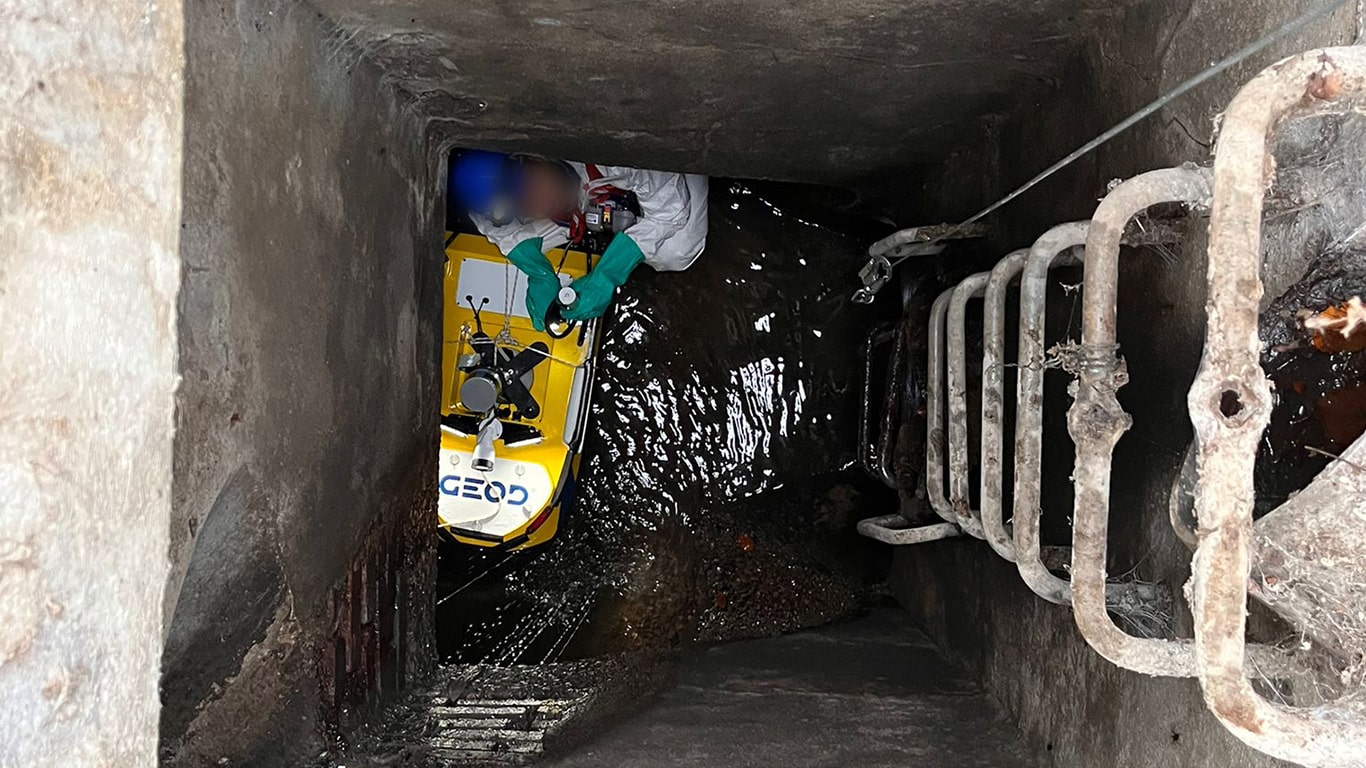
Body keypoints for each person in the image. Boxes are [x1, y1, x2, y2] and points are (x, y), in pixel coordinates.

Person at [449, 150, 708, 329]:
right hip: (584, 190)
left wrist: (609, 272)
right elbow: (494, 228)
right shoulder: (486, 202)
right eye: (524, 205)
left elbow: (671, 208)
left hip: (665, 172)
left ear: (533, 156)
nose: (541, 204)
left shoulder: (613, 157)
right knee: (519, 234)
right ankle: (604, 219)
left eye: (532, 187)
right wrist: (539, 272)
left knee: (677, 251)